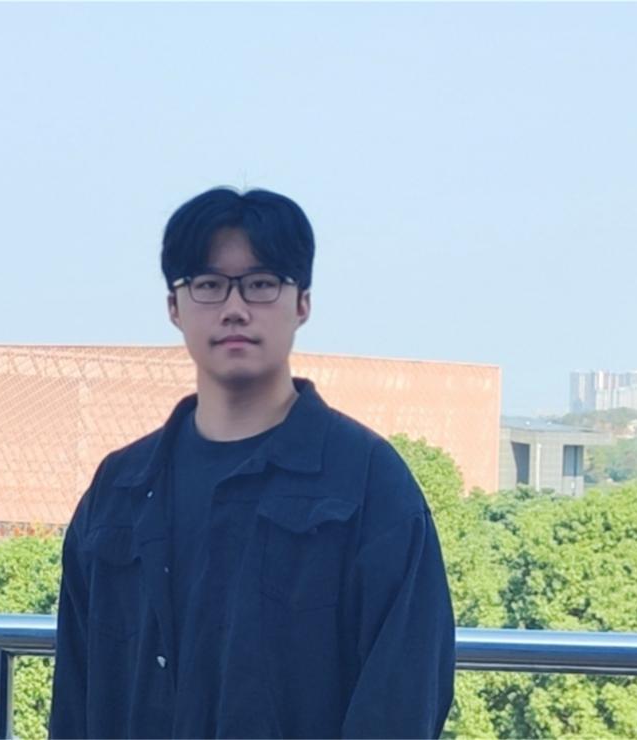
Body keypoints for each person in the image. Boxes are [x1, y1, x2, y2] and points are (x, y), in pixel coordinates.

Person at [49, 187, 455, 739]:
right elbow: (75, 698)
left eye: (261, 284)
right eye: (208, 284)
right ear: (174, 306)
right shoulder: (119, 489)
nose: (235, 308)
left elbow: (402, 701)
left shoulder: (368, 483)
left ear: (302, 302)